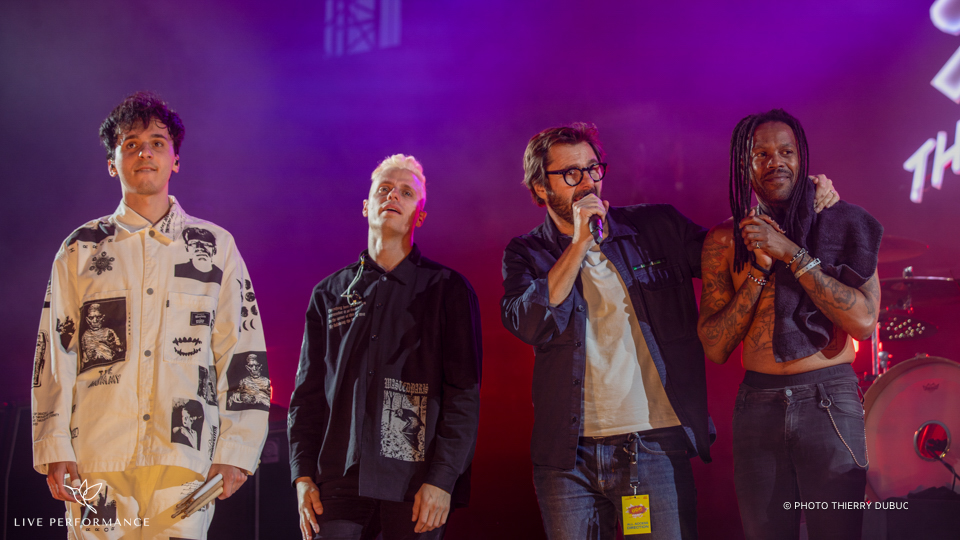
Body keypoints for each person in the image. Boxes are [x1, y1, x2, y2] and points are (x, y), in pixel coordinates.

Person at [500, 123, 839, 540]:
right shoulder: (526, 253)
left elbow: (729, 252)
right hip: (568, 459)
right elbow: (530, 323)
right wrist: (578, 245)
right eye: (571, 173)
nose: (588, 182)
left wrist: (794, 201)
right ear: (540, 188)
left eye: (593, 168)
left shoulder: (656, 227)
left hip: (652, 446)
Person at [32, 91, 270, 540]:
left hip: (185, 459)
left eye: (157, 143)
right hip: (96, 456)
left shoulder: (215, 248)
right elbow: (55, 353)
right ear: (112, 163)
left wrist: (238, 449)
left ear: (175, 159)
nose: (145, 153)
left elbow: (242, 351)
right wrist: (53, 444)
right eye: (131, 144)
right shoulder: (80, 249)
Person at [697, 109, 881, 540]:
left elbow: (864, 322)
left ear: (802, 158)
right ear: (744, 165)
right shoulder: (725, 239)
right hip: (757, 405)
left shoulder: (843, 222)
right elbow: (715, 347)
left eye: (786, 152)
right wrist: (760, 271)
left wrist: (790, 252)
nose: (774, 161)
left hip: (828, 399)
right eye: (761, 154)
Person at [287, 154, 482, 540]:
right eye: (385, 189)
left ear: (420, 216)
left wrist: (443, 479)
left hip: (414, 482)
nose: (393, 195)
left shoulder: (447, 289)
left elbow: (464, 395)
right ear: (366, 206)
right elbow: (307, 395)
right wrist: (302, 475)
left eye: (407, 192)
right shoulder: (329, 293)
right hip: (337, 481)